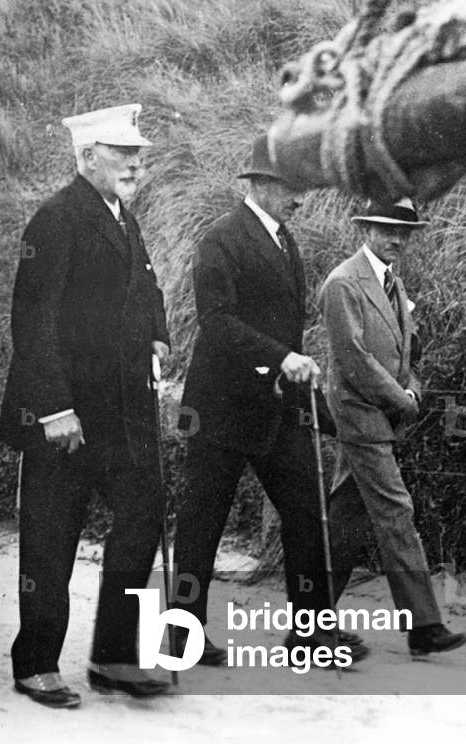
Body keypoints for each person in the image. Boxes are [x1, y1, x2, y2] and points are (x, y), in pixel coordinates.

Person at [0, 104, 172, 708]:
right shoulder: (56, 219)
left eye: (138, 153)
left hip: (122, 412)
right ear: (85, 156)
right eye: (122, 152)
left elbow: (145, 284)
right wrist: (52, 408)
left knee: (143, 514)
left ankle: (115, 657)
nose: (135, 162)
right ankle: (36, 663)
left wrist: (157, 333)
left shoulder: (123, 216)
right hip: (64, 418)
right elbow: (34, 320)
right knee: (51, 538)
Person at [172, 133, 365, 666]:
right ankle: (180, 636)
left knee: (306, 516)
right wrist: (280, 358)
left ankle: (310, 635)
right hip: (221, 409)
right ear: (258, 185)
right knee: (201, 524)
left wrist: (291, 374)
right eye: (289, 188)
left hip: (281, 408)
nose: (299, 198)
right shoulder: (221, 239)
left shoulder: (286, 241)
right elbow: (216, 323)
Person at [319, 197, 466, 656]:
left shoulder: (394, 284)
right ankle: (424, 625)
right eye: (386, 229)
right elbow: (354, 360)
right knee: (397, 512)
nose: (396, 239)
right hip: (360, 414)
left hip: (379, 415)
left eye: (404, 231)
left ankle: (309, 617)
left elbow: (408, 354)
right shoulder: (344, 283)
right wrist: (402, 401)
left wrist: (415, 392)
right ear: (365, 229)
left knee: (346, 518)